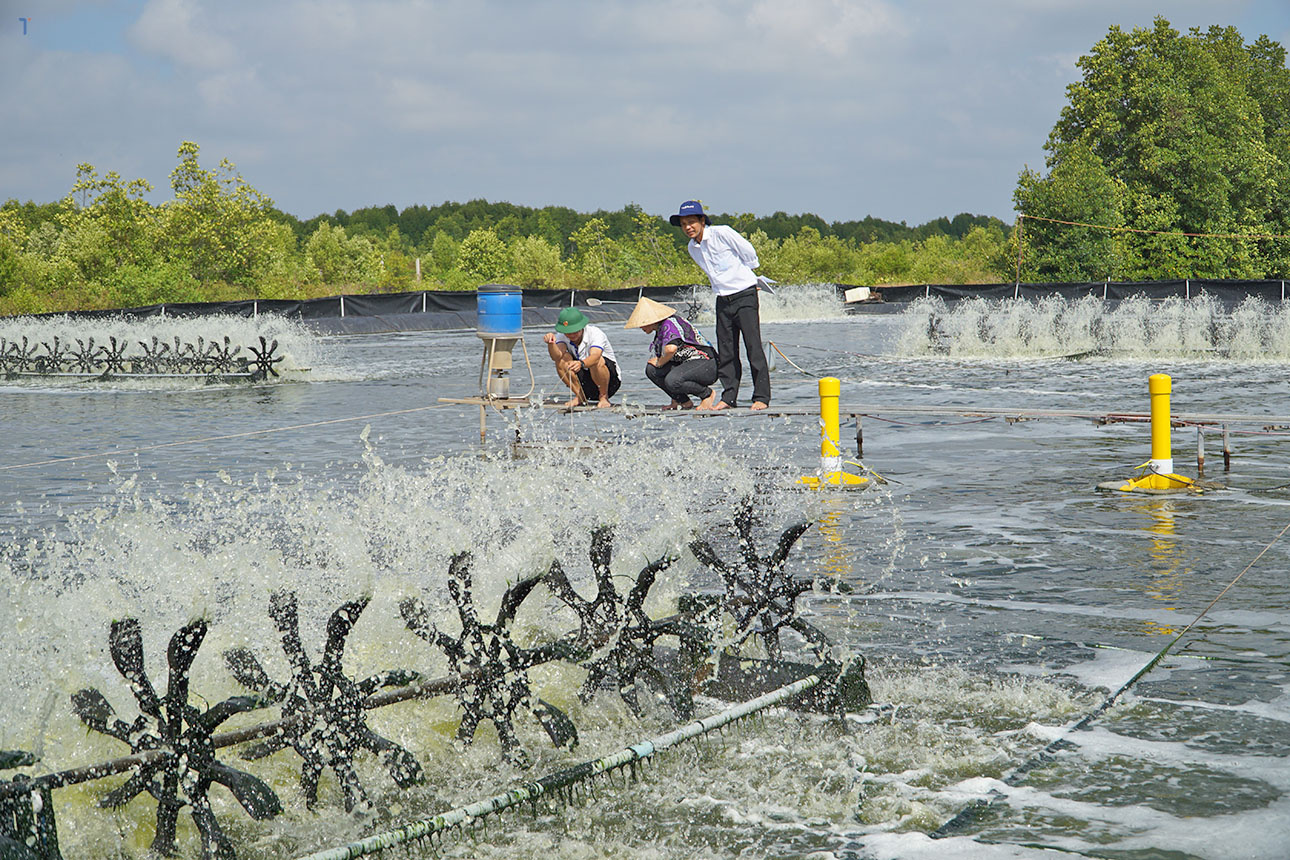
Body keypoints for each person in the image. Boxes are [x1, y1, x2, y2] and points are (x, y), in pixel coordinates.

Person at [670, 200, 770, 410]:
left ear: (702, 221)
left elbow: (749, 253)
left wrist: (746, 276)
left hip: (744, 295)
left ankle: (761, 397)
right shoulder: (692, 248)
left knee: (753, 347)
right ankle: (729, 398)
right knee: (726, 351)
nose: (688, 227)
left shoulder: (721, 233)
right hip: (723, 299)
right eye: (683, 224)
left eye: (691, 222)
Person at [624, 296, 718, 410]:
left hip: (706, 363)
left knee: (672, 380)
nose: (640, 327)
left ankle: (707, 394)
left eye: (642, 323)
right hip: (688, 364)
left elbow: (670, 350)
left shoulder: (669, 324)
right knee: (652, 370)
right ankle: (682, 401)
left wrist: (659, 362)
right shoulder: (660, 329)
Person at [542, 307, 620, 408]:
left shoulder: (596, 333)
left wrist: (581, 363)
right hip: (585, 384)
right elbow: (556, 356)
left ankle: (603, 397)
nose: (571, 335)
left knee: (596, 361)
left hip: (609, 383)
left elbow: (595, 356)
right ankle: (580, 396)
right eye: (568, 332)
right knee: (562, 359)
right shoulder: (561, 336)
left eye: (575, 331)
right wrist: (551, 344)